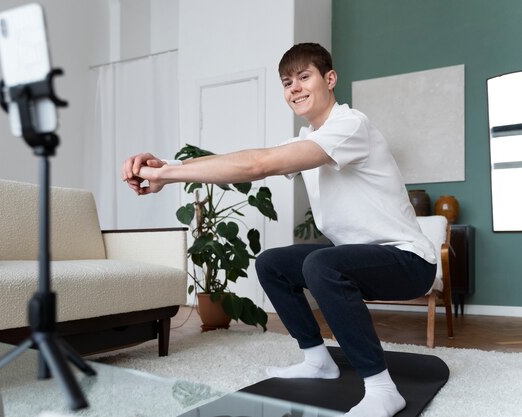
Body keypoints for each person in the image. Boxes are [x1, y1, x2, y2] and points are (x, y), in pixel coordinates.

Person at [121, 43, 436, 417]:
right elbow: (239, 161)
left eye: (305, 77)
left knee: (322, 264)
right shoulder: (306, 141)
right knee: (273, 263)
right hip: (359, 257)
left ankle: (383, 389)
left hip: (410, 262)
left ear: (330, 79)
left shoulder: (351, 126)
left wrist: (165, 174)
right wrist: (167, 168)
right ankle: (318, 361)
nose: (295, 88)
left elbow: (259, 165)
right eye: (287, 82)